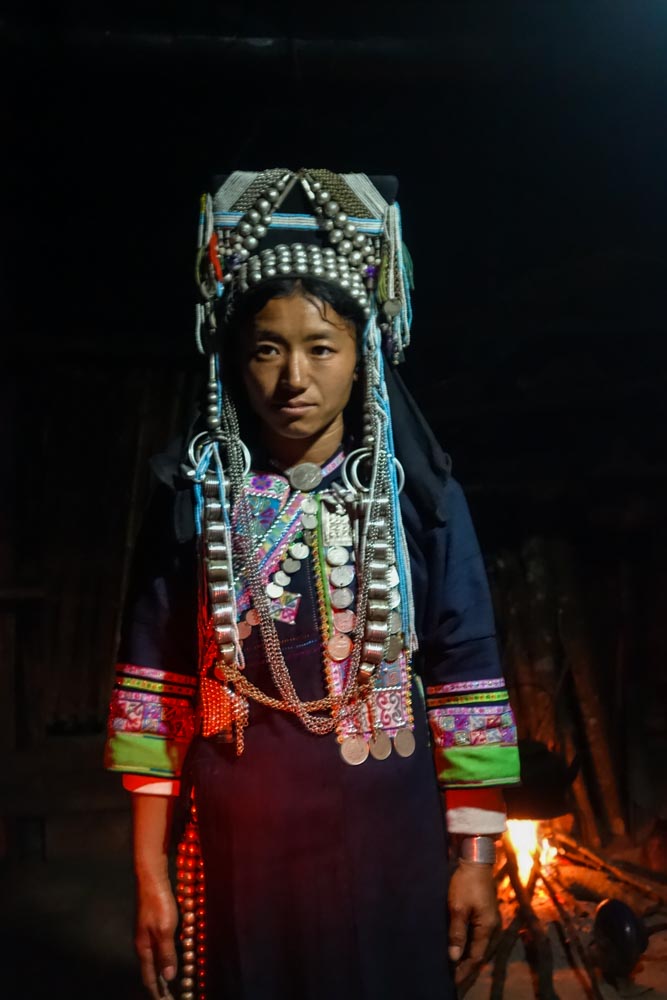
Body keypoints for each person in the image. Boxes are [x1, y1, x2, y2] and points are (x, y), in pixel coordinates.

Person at [105, 168, 520, 1000]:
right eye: (267, 348)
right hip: (239, 845)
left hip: (389, 848)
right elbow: (159, 689)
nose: (293, 377)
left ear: (361, 357)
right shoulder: (195, 503)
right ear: (235, 359)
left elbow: (465, 671)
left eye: (320, 347)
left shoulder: (418, 500)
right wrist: (150, 869)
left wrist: (474, 856)